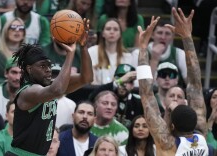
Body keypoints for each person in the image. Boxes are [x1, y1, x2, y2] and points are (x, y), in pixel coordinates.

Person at [6, 18, 93, 155]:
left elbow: (86, 78)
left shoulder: (50, 86)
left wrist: (83, 47)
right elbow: (57, 90)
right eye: (42, 66)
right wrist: (70, 54)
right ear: (29, 69)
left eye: (49, 65)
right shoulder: (28, 92)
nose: (48, 70)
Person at [137, 8, 209, 155]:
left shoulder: (168, 144)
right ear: (196, 121)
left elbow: (146, 94)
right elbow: (195, 86)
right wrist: (187, 37)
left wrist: (143, 48)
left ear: (172, 125)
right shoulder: (201, 136)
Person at [89, 18, 137, 85]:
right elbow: (92, 82)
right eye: (108, 29)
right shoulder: (92, 51)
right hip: (97, 92)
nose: (112, 32)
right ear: (103, 33)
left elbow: (128, 84)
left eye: (116, 29)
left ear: (120, 34)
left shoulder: (127, 57)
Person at [148, 20, 187, 87]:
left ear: (173, 37)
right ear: (152, 35)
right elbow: (143, 86)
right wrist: (154, 60)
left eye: (167, 34)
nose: (163, 37)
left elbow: (190, 83)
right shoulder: (140, 53)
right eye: (160, 33)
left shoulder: (179, 54)